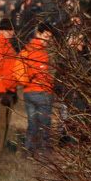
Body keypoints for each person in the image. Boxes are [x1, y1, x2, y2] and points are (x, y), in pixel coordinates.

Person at [19, 22, 55, 153]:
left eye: (50, 37)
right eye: (46, 36)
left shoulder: (27, 48)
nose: (48, 39)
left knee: (32, 124)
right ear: (38, 33)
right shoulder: (41, 52)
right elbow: (38, 71)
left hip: (28, 92)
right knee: (45, 124)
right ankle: (45, 153)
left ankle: (28, 150)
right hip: (42, 92)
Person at [0, 19, 19, 154]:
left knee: (6, 122)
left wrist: (14, 89)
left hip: (10, 90)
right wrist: (1, 92)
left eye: (12, 30)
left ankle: (1, 148)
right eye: (8, 30)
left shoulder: (9, 46)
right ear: (1, 30)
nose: (11, 32)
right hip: (2, 92)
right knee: (0, 123)